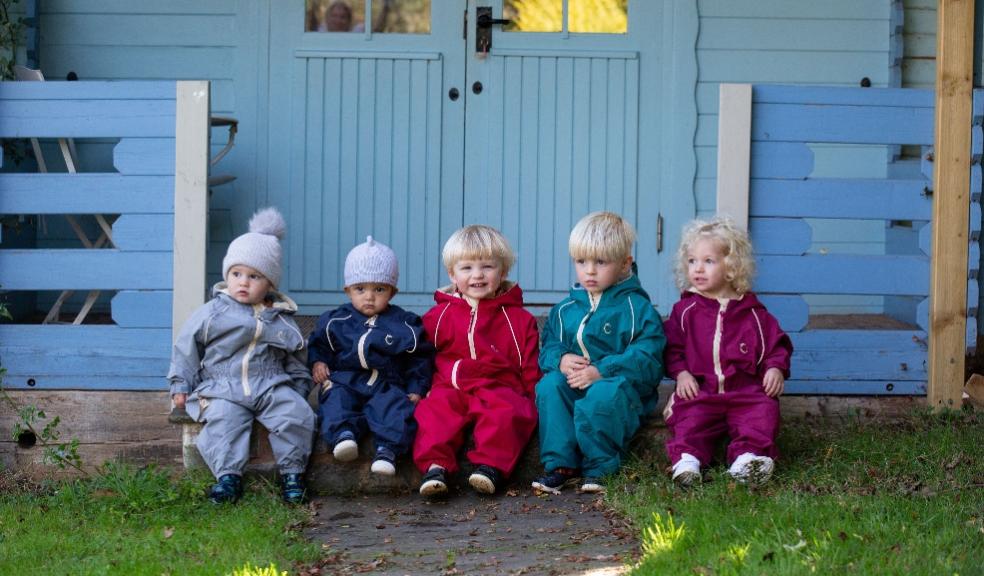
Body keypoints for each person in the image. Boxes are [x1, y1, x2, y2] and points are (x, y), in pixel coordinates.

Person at [168, 207, 316, 504]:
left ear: (270, 284)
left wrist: (299, 387)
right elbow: (187, 347)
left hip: (270, 382)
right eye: (236, 274)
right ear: (227, 275)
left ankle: (292, 474)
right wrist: (180, 384)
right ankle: (228, 477)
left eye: (254, 276)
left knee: (296, 415)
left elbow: (296, 355)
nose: (243, 282)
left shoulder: (281, 318)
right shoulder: (212, 313)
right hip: (223, 385)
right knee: (223, 422)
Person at [531, 212, 666, 495]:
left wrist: (603, 370)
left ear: (624, 264)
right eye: (582, 262)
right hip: (575, 385)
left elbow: (648, 358)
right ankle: (561, 466)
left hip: (620, 390)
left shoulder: (636, 309)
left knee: (601, 396)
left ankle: (600, 466)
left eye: (601, 262)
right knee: (550, 385)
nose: (590, 271)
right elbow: (550, 345)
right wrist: (561, 359)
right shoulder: (566, 309)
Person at [663, 216, 793, 487]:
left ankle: (749, 459)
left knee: (762, 412)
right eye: (692, 261)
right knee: (690, 418)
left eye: (708, 261)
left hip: (746, 391)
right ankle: (687, 461)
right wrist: (682, 373)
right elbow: (672, 347)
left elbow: (775, 344)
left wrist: (774, 368)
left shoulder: (754, 314)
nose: (698, 269)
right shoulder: (685, 312)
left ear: (732, 267)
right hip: (702, 390)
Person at [413, 225, 541, 497]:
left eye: (487, 267)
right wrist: (420, 386)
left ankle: (490, 467)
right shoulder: (439, 316)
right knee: (435, 411)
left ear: (503, 271)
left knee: (506, 412)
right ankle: (436, 467)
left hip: (498, 385)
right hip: (452, 384)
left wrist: (532, 394)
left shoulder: (518, 320)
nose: (477, 275)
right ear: (452, 273)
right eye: (467, 268)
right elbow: (423, 355)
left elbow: (528, 362)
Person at [308, 236, 432, 477]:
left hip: (387, 382)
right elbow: (318, 343)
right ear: (347, 290)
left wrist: (417, 386)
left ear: (392, 292)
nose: (369, 297)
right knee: (334, 399)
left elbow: (419, 358)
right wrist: (318, 361)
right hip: (346, 379)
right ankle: (344, 435)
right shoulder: (334, 320)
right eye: (360, 289)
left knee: (396, 408)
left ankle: (388, 451)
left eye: (379, 289)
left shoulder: (405, 324)